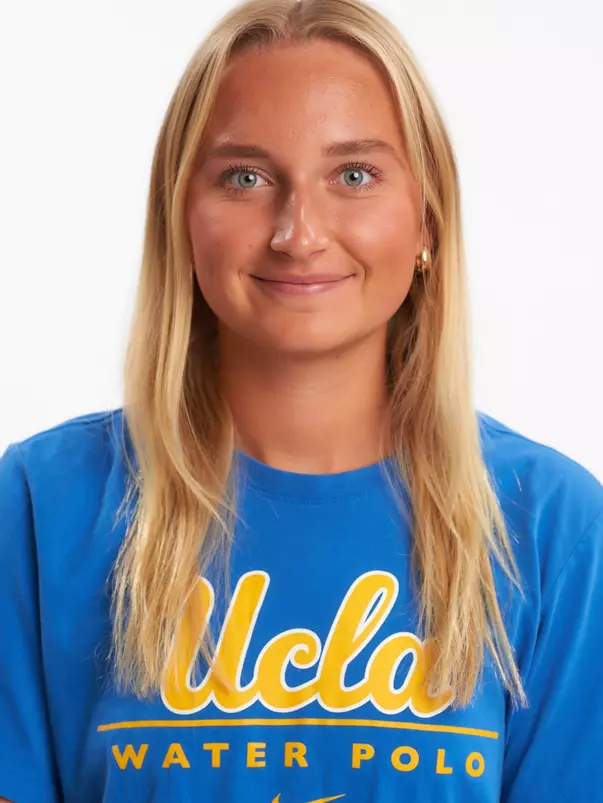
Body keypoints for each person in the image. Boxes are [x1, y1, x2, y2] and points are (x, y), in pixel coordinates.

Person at [1, 0, 602, 801]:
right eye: (244, 177)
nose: (298, 231)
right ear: (181, 216)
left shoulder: (552, 524)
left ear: (425, 218)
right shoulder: (42, 504)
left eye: (353, 175)